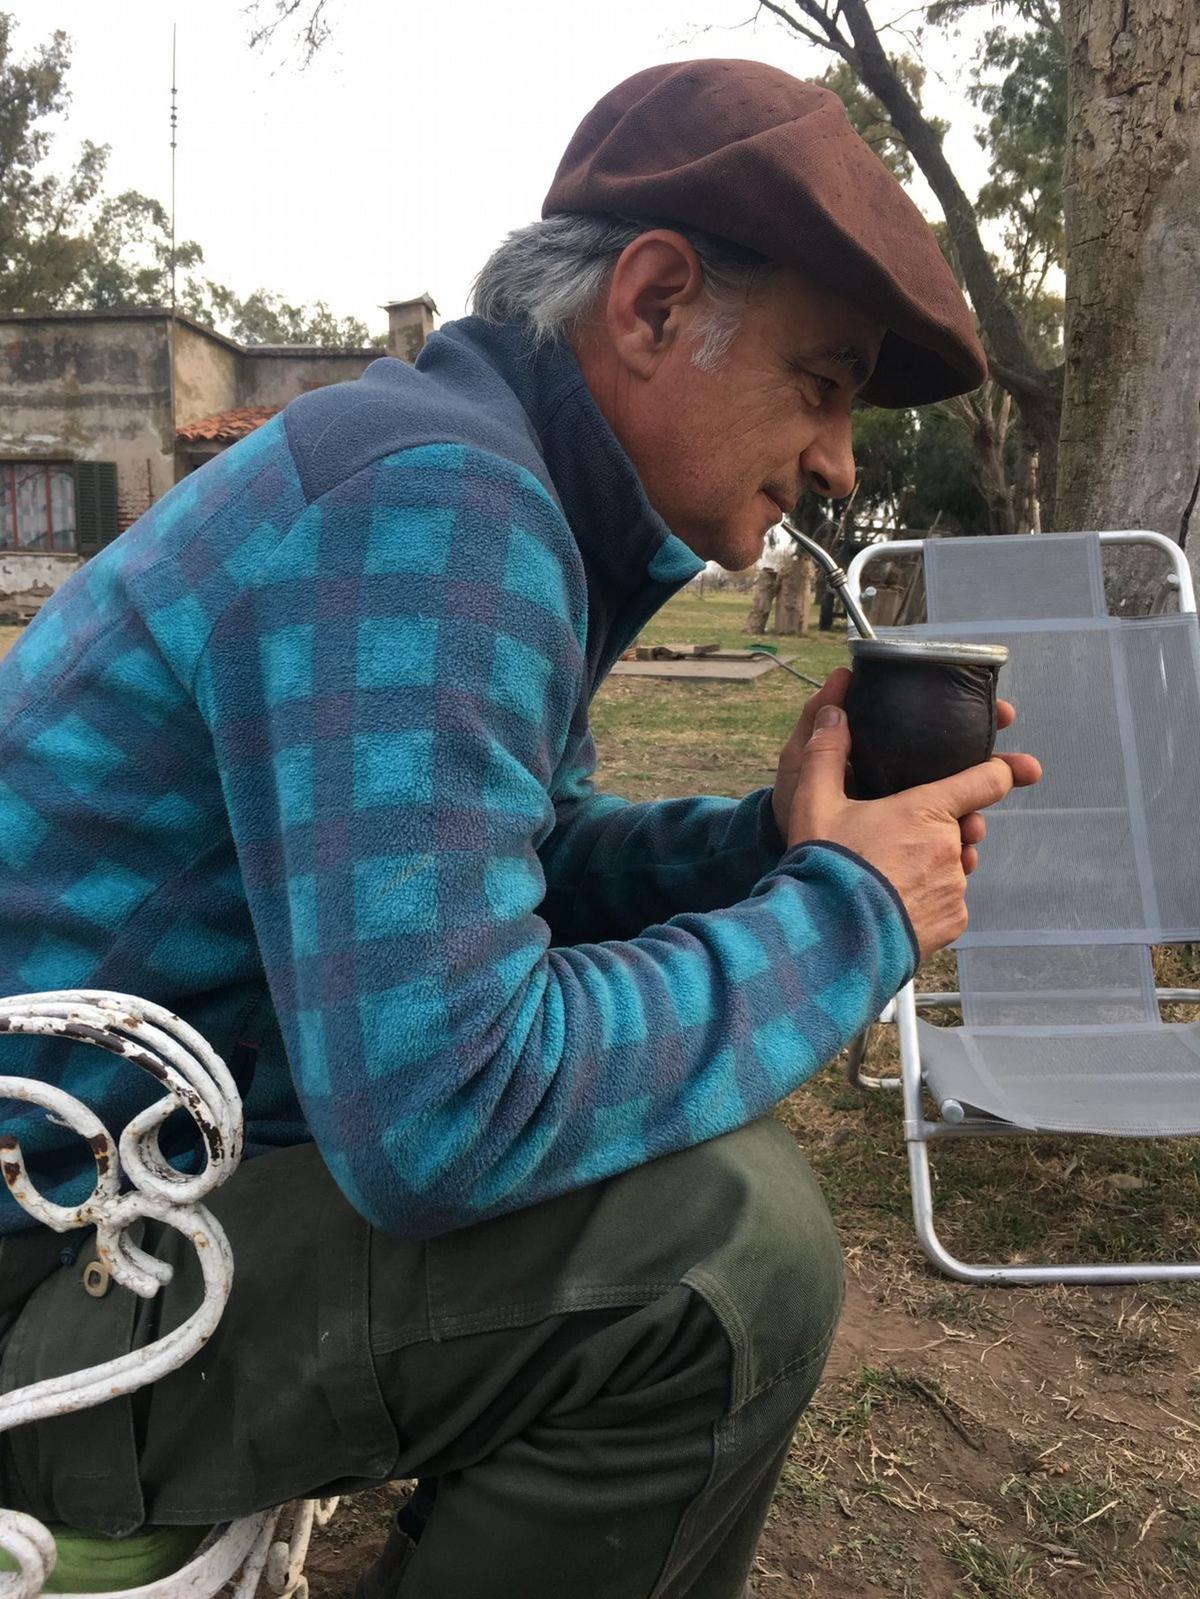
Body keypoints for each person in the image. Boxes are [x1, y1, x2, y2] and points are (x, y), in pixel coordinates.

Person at [0, 60, 1040, 1599]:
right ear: (654, 301)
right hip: (54, 1267)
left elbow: (511, 871)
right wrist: (847, 915)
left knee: (699, 1189)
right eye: (823, 384)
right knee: (718, 1260)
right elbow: (450, 1111)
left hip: (128, 1198)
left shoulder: (480, 484)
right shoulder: (437, 508)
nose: (839, 461)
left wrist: (767, 846)